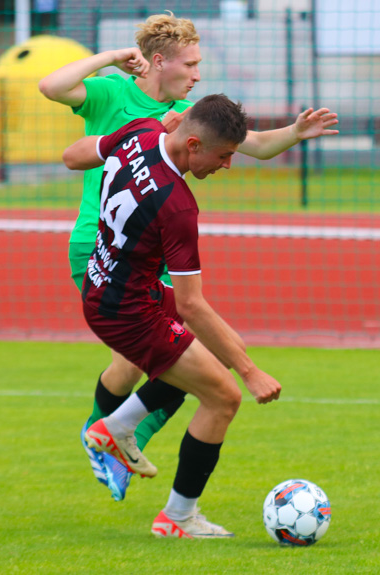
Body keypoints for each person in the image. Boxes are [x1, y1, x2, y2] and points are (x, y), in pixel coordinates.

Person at [38, 12, 338, 503]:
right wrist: (114, 57)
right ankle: (109, 435)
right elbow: (52, 87)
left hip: (149, 247)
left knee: (171, 352)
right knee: (159, 355)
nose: (198, 74)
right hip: (103, 241)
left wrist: (295, 131)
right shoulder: (116, 95)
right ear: (159, 62)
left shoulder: (189, 116)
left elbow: (254, 145)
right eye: (191, 64)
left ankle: (114, 436)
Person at [63, 94, 282, 538]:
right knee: (225, 396)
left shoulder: (141, 132)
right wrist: (250, 372)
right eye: (223, 156)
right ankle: (177, 518)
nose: (226, 166)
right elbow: (191, 306)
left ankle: (116, 427)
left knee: (225, 345)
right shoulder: (177, 205)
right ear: (195, 144)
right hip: (127, 310)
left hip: (105, 282)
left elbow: (74, 156)